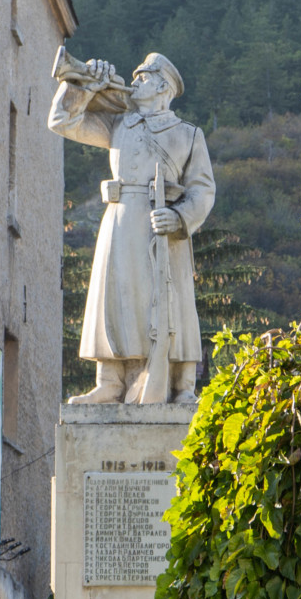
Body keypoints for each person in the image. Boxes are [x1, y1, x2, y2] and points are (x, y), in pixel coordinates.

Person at [47, 52, 216, 405]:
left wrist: (182, 217)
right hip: (120, 224)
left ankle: (180, 385)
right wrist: (84, 84)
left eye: (143, 76)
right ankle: (110, 380)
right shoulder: (119, 125)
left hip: (164, 228)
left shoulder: (188, 135)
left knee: (173, 301)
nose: (134, 80)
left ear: (163, 86)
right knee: (114, 297)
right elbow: (62, 121)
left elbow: (203, 189)